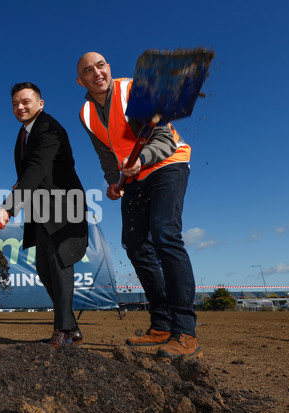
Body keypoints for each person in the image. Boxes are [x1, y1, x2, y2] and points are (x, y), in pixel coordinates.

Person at [76, 52, 202, 361]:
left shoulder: (132, 90)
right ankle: (161, 324)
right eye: (88, 71)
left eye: (101, 65)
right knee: (135, 246)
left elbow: (164, 138)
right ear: (81, 81)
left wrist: (142, 160)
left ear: (109, 68)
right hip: (132, 178)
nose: (97, 73)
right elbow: (105, 152)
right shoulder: (87, 113)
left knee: (165, 235)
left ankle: (184, 331)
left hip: (168, 164)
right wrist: (112, 180)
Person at [0, 82, 88, 348]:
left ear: (40, 104)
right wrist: (19, 187)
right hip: (41, 209)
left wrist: (9, 206)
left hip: (64, 207)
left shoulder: (48, 128)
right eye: (15, 104)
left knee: (59, 267)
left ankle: (62, 332)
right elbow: (31, 175)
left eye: (25, 101)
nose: (20, 107)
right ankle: (73, 329)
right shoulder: (23, 134)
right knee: (44, 269)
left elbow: (36, 169)